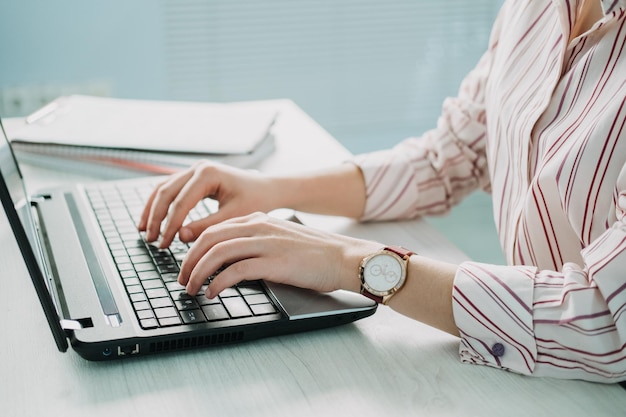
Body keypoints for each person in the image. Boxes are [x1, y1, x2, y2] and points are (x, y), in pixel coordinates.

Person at [139, 0, 626, 383]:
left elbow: (605, 321)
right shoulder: (534, 8)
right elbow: (447, 160)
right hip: (537, 375)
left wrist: (357, 263)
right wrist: (269, 190)